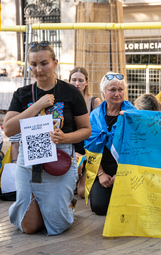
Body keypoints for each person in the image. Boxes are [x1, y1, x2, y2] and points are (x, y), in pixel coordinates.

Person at [3, 41, 91, 235]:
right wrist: (36, 105)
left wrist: (65, 137)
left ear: (55, 63)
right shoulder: (22, 94)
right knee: (29, 227)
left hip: (59, 159)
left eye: (44, 63)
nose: (38, 69)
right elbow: (8, 129)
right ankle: (43, 205)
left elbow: (86, 130)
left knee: (57, 226)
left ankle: (64, 205)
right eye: (33, 64)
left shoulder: (71, 93)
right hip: (29, 161)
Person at [84, 72, 136, 215]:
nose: (117, 94)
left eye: (120, 89)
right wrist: (101, 174)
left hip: (127, 169)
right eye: (112, 90)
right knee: (99, 207)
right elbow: (90, 149)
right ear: (103, 93)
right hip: (102, 169)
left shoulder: (132, 115)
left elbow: (137, 149)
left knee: (128, 207)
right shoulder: (94, 117)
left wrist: (121, 173)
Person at [69, 67, 101, 198]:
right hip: (72, 150)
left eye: (80, 80)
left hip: (89, 149)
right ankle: (76, 177)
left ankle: (85, 176)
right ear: (69, 81)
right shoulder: (66, 102)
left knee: (82, 193)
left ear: (87, 82)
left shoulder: (94, 102)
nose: (77, 83)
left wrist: (87, 156)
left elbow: (99, 132)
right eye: (74, 80)